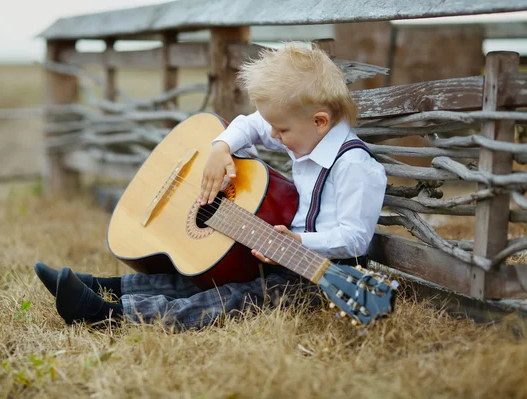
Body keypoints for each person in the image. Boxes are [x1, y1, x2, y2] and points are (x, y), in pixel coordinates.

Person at [34, 42, 387, 329]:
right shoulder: (303, 128)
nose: (274, 137)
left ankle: (108, 316)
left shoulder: (356, 167)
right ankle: (103, 287)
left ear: (320, 121)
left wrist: (298, 242)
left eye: (281, 131)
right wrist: (221, 147)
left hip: (319, 276)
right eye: (274, 129)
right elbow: (251, 125)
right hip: (285, 258)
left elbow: (356, 238)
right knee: (200, 277)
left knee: (232, 298)